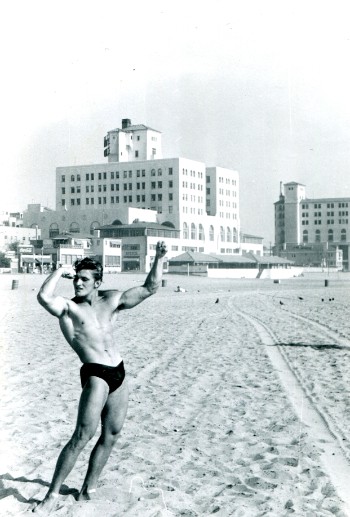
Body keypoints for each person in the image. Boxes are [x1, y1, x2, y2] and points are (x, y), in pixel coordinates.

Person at [32, 241, 167, 513]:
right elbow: (43, 297)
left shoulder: (112, 300)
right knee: (83, 435)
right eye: (77, 279)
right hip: (95, 372)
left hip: (118, 370)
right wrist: (59, 271)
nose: (78, 284)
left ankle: (87, 490)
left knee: (113, 434)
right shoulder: (68, 308)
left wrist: (159, 258)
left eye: (84, 280)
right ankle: (52, 494)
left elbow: (150, 288)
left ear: (98, 282)